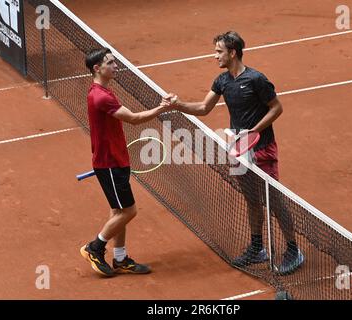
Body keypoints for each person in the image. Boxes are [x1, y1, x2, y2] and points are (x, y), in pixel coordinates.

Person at [163, 31, 304, 275]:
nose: (215, 55)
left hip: (262, 148)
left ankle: (293, 250)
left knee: (275, 201)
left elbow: (276, 108)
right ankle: (258, 247)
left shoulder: (256, 79)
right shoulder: (222, 81)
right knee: (251, 199)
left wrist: (253, 132)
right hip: (240, 150)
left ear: (233, 52)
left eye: (219, 51)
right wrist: (178, 105)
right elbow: (204, 108)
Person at [80, 48, 173, 277]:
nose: (115, 66)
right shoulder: (101, 96)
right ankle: (95, 247)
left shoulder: (103, 91)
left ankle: (120, 259)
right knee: (129, 211)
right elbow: (133, 119)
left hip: (116, 159)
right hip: (109, 163)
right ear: (97, 68)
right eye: (110, 63)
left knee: (118, 210)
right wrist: (162, 108)